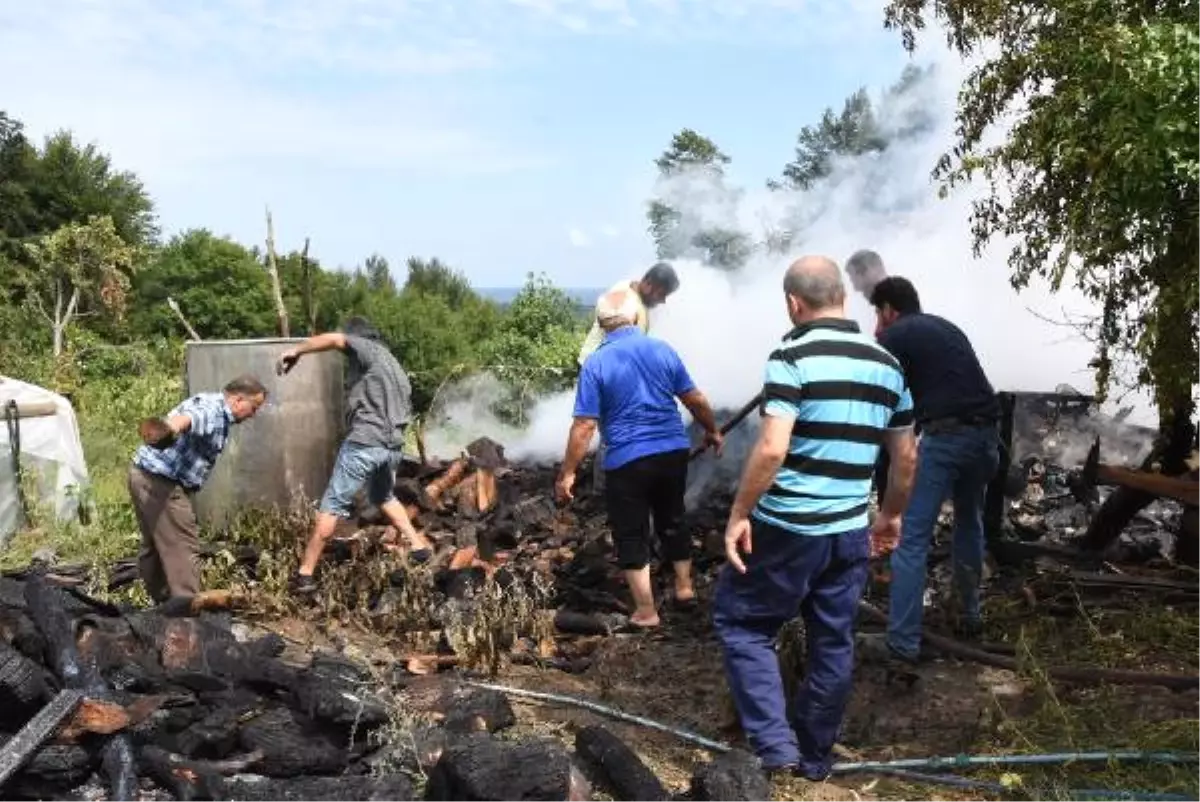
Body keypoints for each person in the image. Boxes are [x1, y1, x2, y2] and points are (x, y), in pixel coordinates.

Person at [714, 256, 917, 779]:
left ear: (793, 303)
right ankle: (814, 755)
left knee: (744, 624)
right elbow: (907, 457)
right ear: (844, 298)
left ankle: (776, 748)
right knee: (833, 641)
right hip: (849, 530)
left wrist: (740, 514)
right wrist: (890, 516)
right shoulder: (886, 363)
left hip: (788, 529)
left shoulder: (790, 355)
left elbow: (772, 448)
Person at [555, 286, 722, 629]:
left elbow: (585, 426)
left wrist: (567, 473)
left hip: (628, 460)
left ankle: (646, 610)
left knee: (631, 532)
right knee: (672, 519)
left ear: (601, 324)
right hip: (672, 451)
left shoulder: (596, 363)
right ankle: (685, 588)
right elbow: (695, 399)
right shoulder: (661, 349)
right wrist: (712, 430)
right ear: (634, 317)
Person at [869, 276, 1001, 668]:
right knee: (968, 521)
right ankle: (969, 615)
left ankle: (902, 645)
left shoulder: (895, 336)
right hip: (986, 437)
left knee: (910, 540)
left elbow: (881, 404)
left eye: (878, 315)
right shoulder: (945, 328)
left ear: (889, 310)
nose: (877, 324)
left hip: (946, 438)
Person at [279, 317, 434, 596]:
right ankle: (419, 546)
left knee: (333, 504)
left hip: (365, 442)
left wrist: (297, 351)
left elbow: (336, 340)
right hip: (392, 446)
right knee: (384, 496)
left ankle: (304, 575)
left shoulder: (366, 349)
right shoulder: (393, 366)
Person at [129, 375, 268, 602]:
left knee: (155, 544)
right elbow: (190, 419)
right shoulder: (215, 411)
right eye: (254, 407)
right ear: (238, 400)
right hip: (159, 483)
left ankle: (163, 605)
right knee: (183, 543)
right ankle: (185, 607)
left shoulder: (209, 400)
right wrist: (167, 430)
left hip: (142, 474)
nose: (254, 414)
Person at [845, 249, 892, 498]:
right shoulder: (884, 306)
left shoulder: (892, 305)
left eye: (855, 279)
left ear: (868, 272)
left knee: (890, 471)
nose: (854, 289)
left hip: (896, 411)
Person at [576, 261, 681, 366]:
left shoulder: (636, 295)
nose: (662, 301)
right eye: (661, 294)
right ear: (648, 284)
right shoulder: (625, 300)